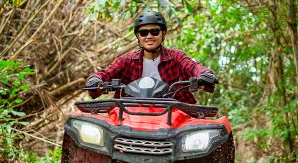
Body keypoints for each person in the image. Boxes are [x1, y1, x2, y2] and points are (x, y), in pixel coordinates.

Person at [86, 11, 218, 104]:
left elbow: (193, 66)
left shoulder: (176, 57)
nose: (149, 36)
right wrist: (95, 81)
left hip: (175, 115)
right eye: (143, 33)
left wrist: (205, 75)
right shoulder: (126, 60)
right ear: (138, 36)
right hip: (129, 114)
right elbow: (106, 73)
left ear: (163, 33)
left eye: (154, 31)